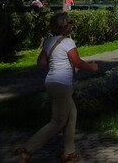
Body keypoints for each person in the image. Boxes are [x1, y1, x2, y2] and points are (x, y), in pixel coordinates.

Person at [16, 12, 98, 162]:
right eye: (70, 22)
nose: (72, 25)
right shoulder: (68, 42)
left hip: (51, 82)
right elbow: (78, 62)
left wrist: (58, 60)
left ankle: (69, 152)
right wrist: (92, 67)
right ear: (64, 26)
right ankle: (27, 150)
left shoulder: (48, 42)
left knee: (71, 115)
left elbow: (41, 63)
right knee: (58, 121)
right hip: (62, 85)